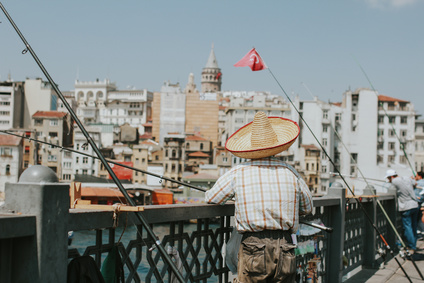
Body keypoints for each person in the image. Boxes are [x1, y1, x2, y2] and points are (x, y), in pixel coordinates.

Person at [205, 112, 313, 282]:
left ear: (250, 147)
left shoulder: (239, 172)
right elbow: (307, 207)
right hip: (286, 246)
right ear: (276, 147)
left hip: (254, 247)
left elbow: (212, 198)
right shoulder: (291, 172)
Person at [386, 169, 419, 250]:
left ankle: (412, 246)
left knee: (408, 227)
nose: (388, 180)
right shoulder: (407, 178)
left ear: (392, 177)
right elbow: (415, 183)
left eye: (388, 178)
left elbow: (391, 191)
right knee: (414, 226)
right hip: (415, 205)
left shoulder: (394, 181)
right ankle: (413, 243)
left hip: (406, 206)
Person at [415, 171, 424, 236]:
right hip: (421, 202)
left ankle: (419, 232)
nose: (415, 177)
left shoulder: (418, 183)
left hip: (417, 203)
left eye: (416, 175)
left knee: (417, 219)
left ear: (419, 176)